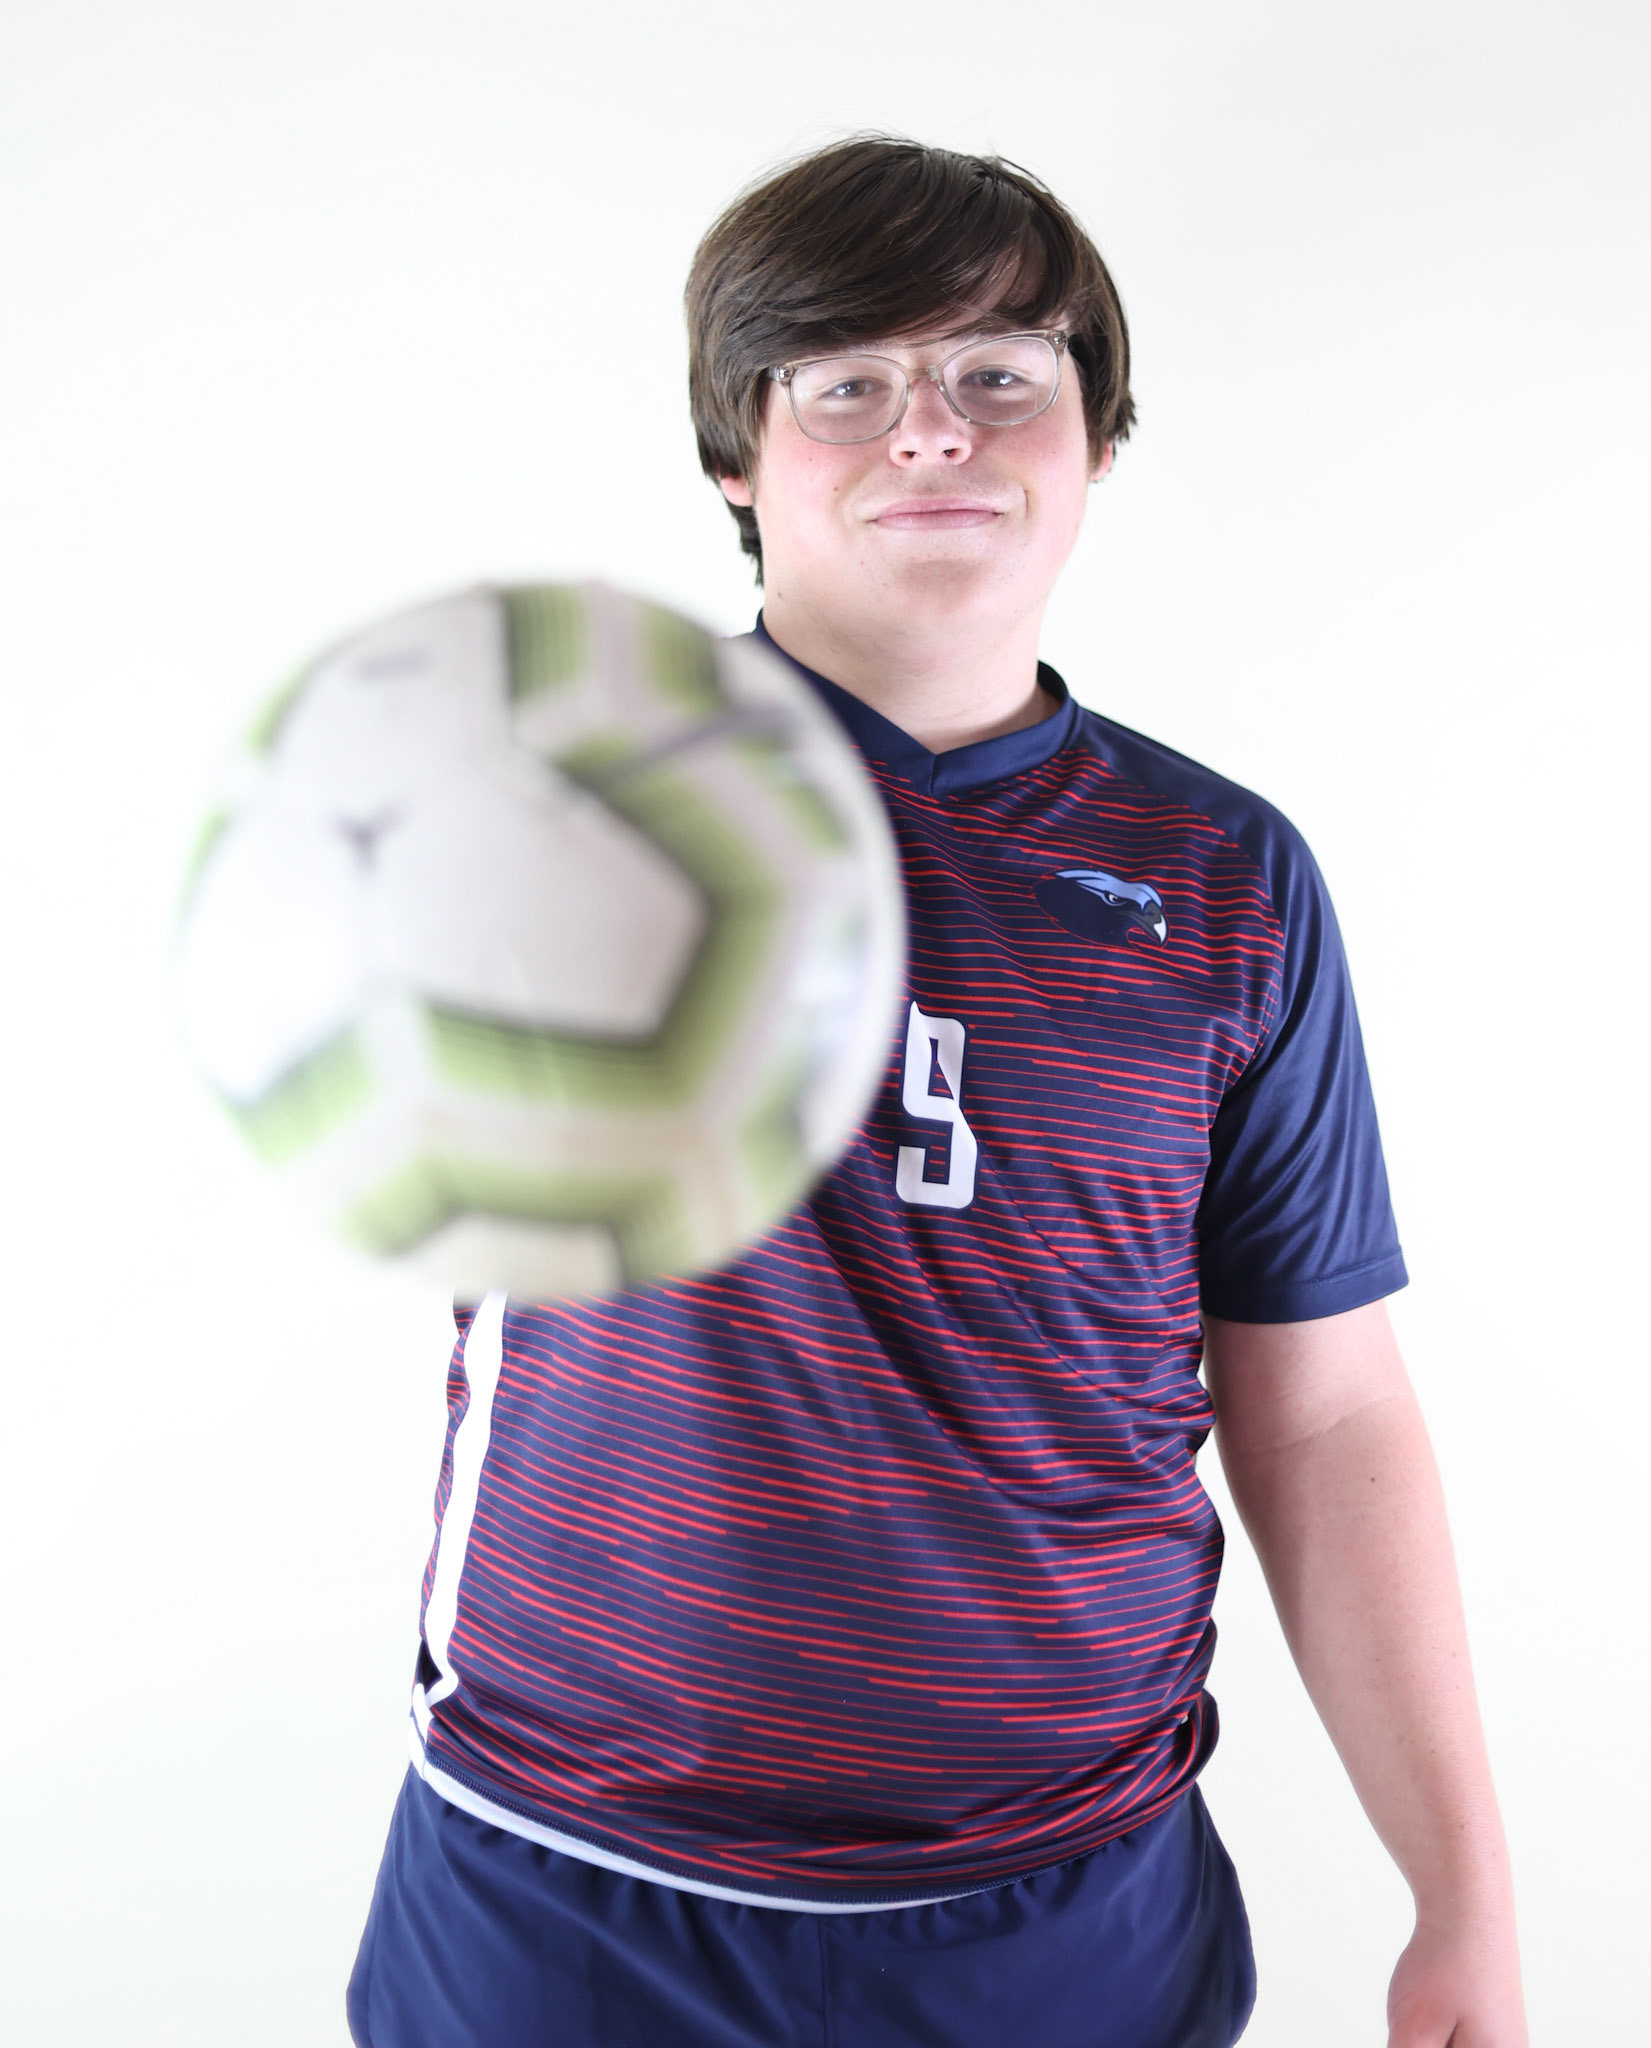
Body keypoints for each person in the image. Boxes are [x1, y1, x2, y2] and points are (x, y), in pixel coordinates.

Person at [346, 135, 1526, 2047]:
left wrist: (1460, 1893)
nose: (931, 432)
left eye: (1002, 372)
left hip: (1066, 1911)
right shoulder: (570, 793)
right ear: (738, 455)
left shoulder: (1223, 878)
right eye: (847, 383)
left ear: (1098, 443)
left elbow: (1324, 1418)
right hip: (567, 1890)